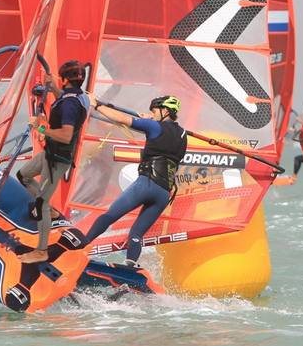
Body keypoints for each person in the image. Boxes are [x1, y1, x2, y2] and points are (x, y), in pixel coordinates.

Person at [74, 95, 186, 268]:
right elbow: (164, 140)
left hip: (146, 185)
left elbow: (121, 119)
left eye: (155, 111)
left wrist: (96, 106)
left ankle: (79, 249)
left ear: (165, 111)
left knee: (109, 216)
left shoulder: (154, 126)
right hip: (164, 193)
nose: (153, 114)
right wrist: (150, 122)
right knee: (136, 234)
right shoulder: (182, 135)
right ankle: (130, 266)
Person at [15, 60, 89, 263]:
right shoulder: (78, 97)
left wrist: (39, 129)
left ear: (65, 79)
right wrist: (55, 88)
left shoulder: (69, 104)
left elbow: (66, 135)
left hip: (57, 160)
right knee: (23, 175)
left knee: (40, 203)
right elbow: (65, 105)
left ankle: (41, 251)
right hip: (50, 154)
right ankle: (52, 212)